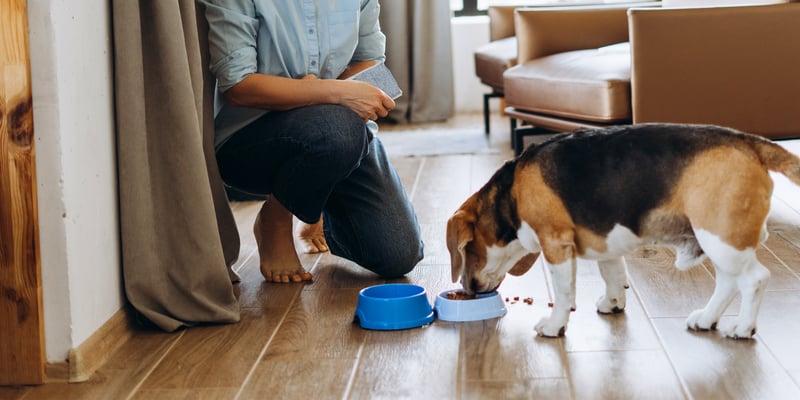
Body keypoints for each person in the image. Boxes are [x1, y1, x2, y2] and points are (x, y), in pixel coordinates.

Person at [203, 0, 424, 283]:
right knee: (337, 132)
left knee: (399, 254)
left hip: (339, 133)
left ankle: (312, 196)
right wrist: (326, 93)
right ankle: (276, 218)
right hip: (252, 137)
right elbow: (239, 86)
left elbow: (371, 61)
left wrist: (321, 96)